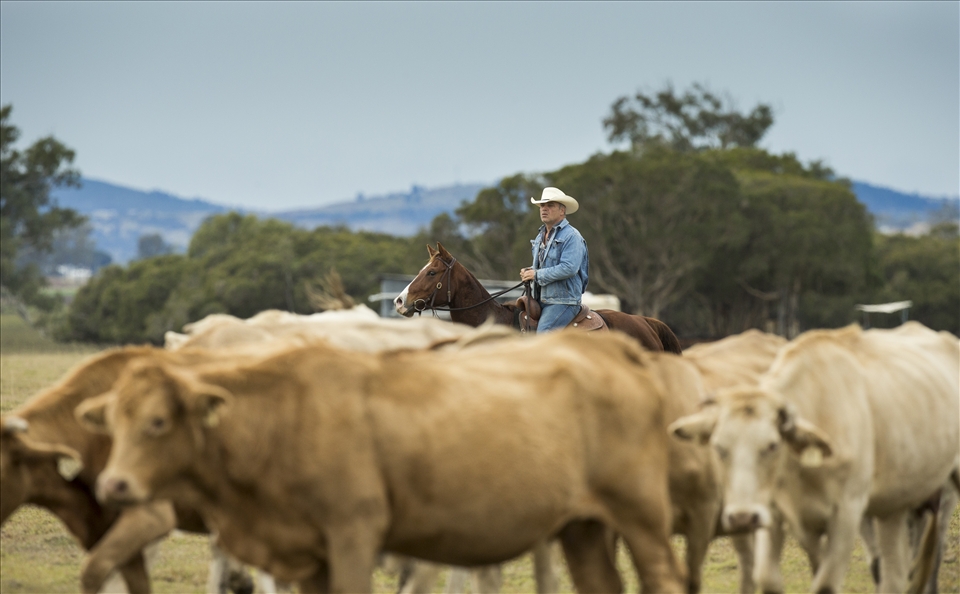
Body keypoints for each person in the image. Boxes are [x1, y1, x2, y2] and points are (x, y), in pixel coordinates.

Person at [520, 187, 589, 333]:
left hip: (563, 302)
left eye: (550, 205)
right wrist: (530, 271)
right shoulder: (540, 237)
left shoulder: (572, 236)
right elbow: (546, 267)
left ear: (562, 211)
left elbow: (569, 267)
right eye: (542, 206)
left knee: (543, 337)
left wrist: (536, 275)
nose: (544, 209)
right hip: (540, 300)